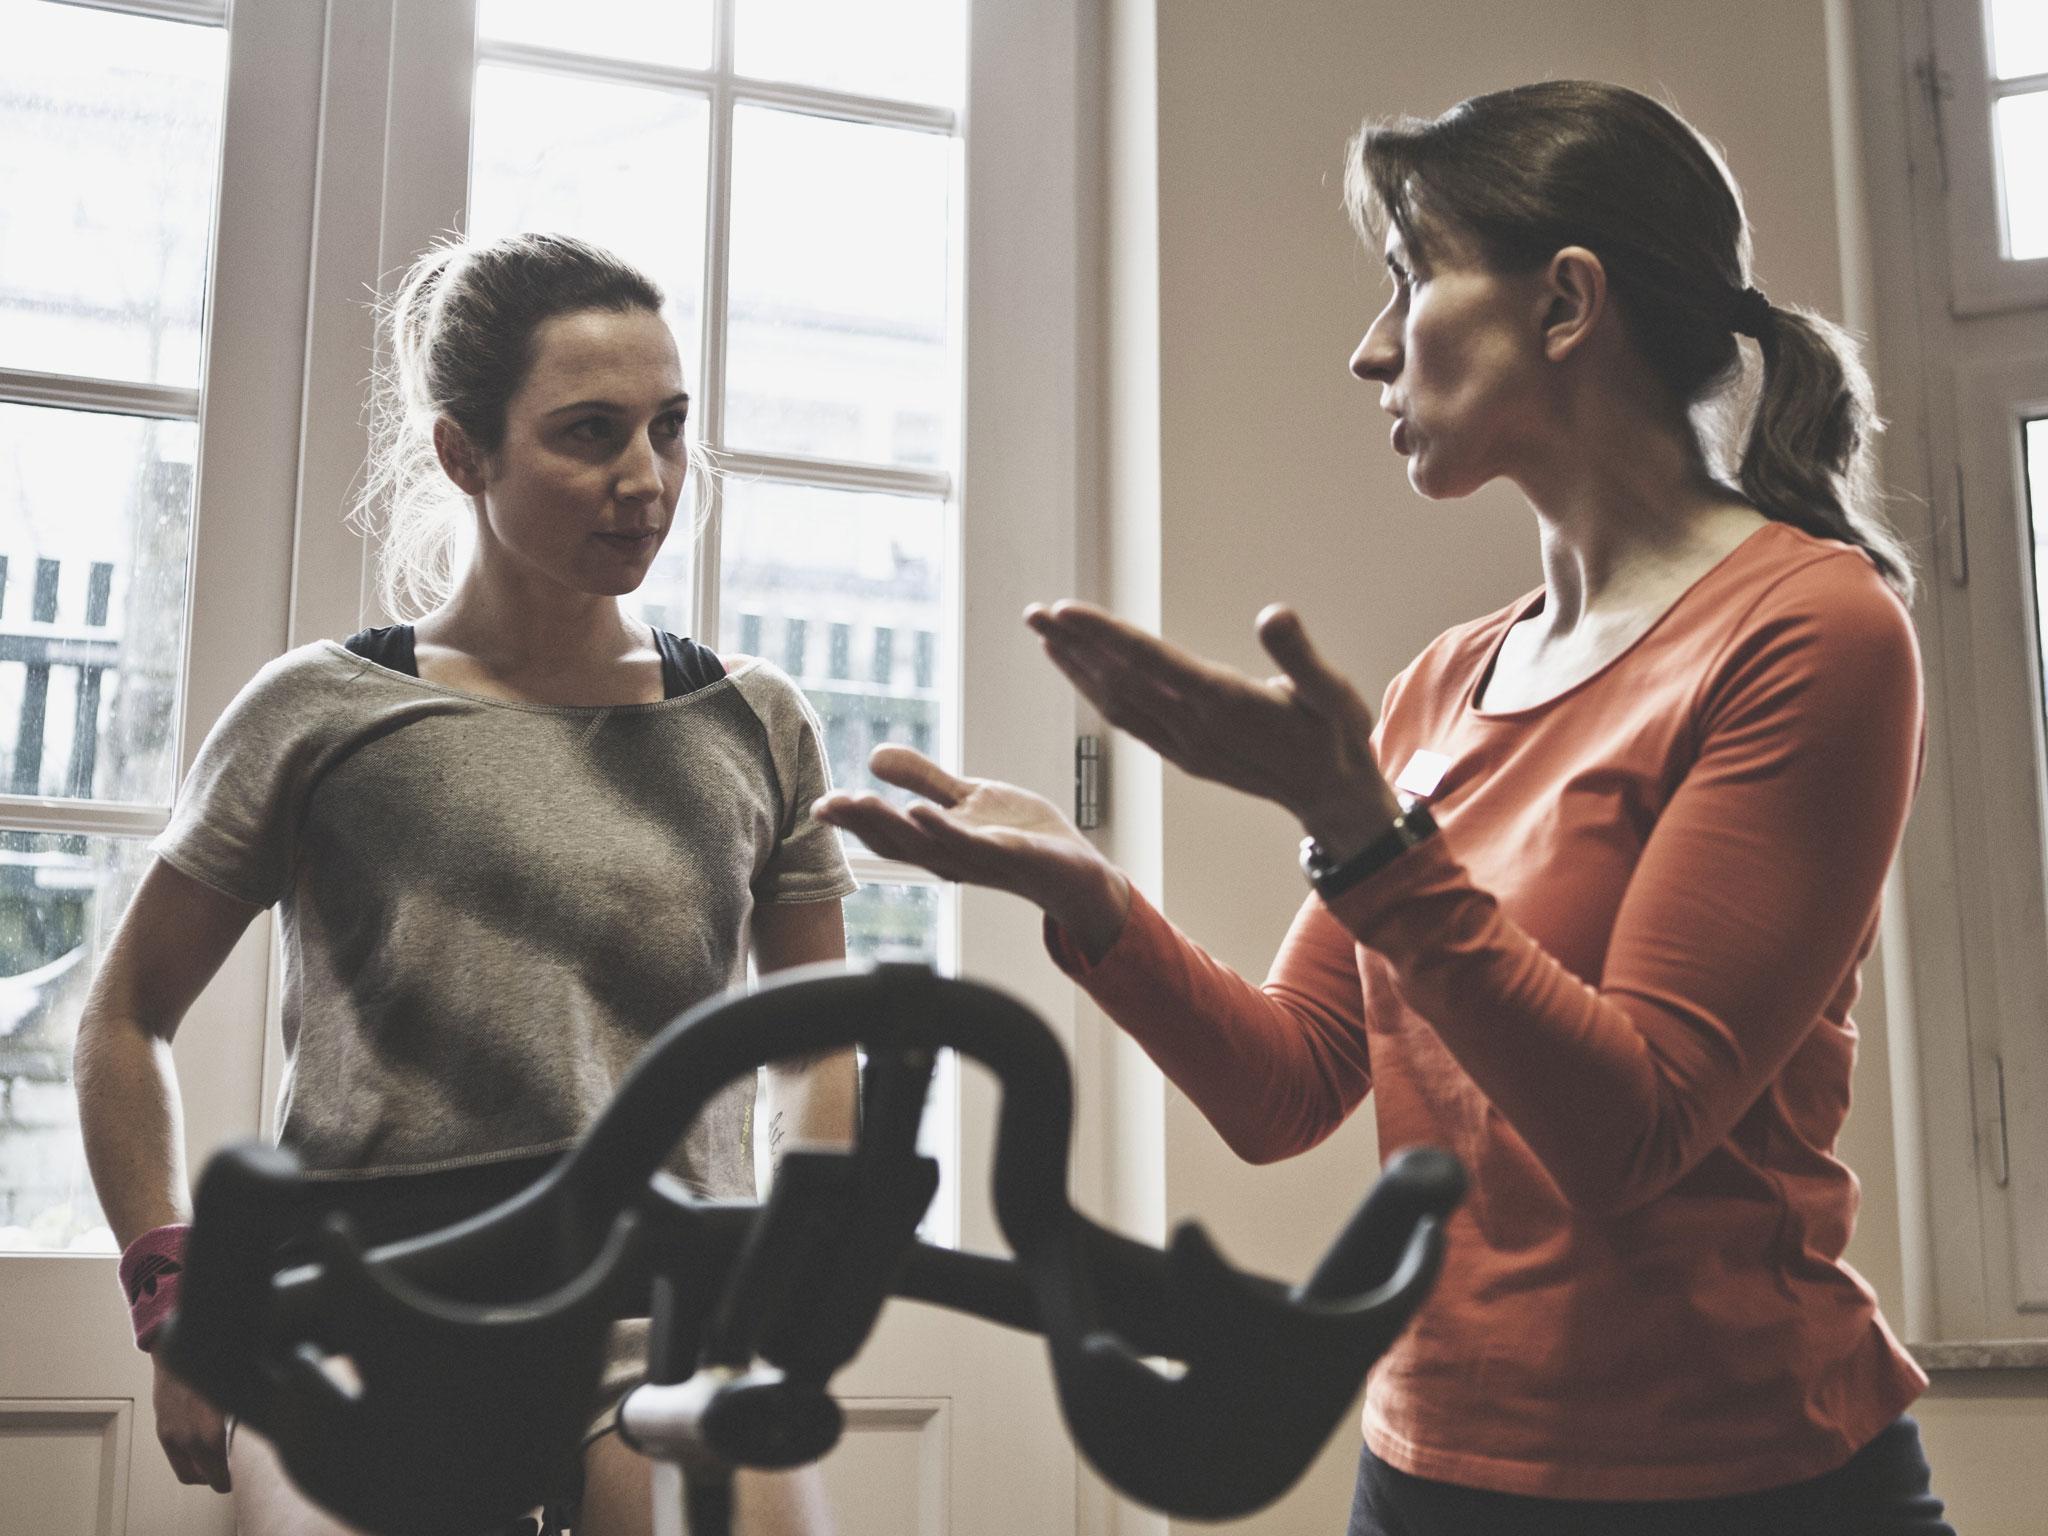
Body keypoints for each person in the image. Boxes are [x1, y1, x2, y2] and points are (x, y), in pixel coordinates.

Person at [815, 81, 1954, 1535]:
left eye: (1411, 278)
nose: (1370, 348)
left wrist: (1368, 838)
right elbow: (1285, 1089)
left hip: (1742, 1480)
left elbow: (1634, 1133)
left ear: (1565, 305)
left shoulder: (1811, 630)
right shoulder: (1445, 685)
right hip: (1425, 1467)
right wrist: (1083, 892)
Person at [74, 232, 857, 1536]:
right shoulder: (319, 710)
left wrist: (789, 1262)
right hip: (357, 1317)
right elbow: (126, 1014)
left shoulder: (753, 722)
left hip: (652, 1310)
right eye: (592, 434)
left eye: (669, 429)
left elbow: (814, 1041)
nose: (648, 480)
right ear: (462, 454)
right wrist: (173, 1293)